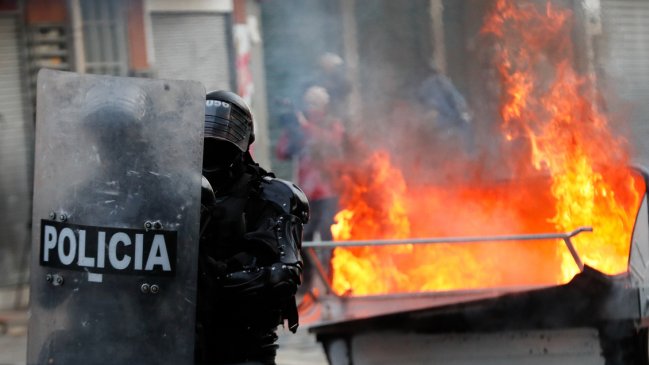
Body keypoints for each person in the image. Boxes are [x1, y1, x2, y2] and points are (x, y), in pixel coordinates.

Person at [195, 90, 309, 365]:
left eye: (220, 148)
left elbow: (282, 274)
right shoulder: (173, 191)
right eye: (205, 145)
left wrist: (211, 280)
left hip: (243, 344)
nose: (211, 154)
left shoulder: (271, 195)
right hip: (177, 336)